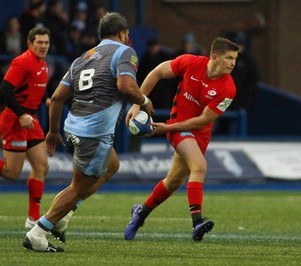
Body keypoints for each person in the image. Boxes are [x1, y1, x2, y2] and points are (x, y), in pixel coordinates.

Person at [23, 12, 153, 252]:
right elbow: (126, 86)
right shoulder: (125, 52)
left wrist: (52, 132)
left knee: (112, 164)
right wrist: (144, 101)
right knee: (78, 188)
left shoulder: (82, 58)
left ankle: (62, 216)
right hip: (93, 131)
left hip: (72, 125)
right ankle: (38, 232)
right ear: (124, 34)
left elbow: (57, 97)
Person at [124, 37, 239, 242]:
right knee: (200, 166)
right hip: (179, 124)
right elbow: (158, 72)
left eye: (235, 59)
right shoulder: (190, 62)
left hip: (199, 132)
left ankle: (140, 213)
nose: (232, 63)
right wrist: (137, 103)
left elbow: (203, 120)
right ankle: (197, 223)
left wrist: (167, 128)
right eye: (228, 58)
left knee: (174, 181)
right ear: (214, 57)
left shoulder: (228, 89)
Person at [0, 27, 51, 229]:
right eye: (39, 42)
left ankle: (32, 219)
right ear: (30, 44)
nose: (43, 46)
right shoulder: (22, 61)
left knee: (41, 167)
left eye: (46, 43)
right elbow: (4, 90)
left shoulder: (42, 62)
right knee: (13, 173)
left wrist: (46, 99)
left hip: (31, 119)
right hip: (16, 120)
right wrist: (21, 114)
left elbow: (35, 84)